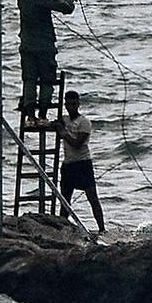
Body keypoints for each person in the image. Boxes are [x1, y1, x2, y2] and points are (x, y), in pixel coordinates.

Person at [17, 0, 77, 125]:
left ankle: (30, 117)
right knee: (47, 80)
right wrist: (69, 0)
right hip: (44, 46)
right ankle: (42, 116)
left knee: (29, 80)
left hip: (26, 45)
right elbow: (66, 9)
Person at [56, 90, 105, 233]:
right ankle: (62, 227)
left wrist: (63, 133)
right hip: (68, 164)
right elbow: (54, 125)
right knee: (65, 199)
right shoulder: (64, 120)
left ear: (78, 104)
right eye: (68, 104)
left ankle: (101, 228)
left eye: (73, 104)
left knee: (92, 197)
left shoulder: (84, 123)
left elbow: (77, 143)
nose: (70, 107)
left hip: (83, 163)